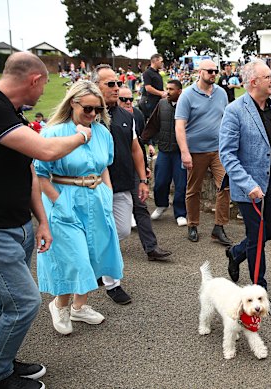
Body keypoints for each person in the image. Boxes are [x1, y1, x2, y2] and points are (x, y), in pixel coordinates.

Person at [0, 52, 92, 389]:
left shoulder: (10, 110)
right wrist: (82, 135)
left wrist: (41, 221)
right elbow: (45, 152)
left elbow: (28, 170)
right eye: (45, 83)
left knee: (1, 302)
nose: (43, 92)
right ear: (35, 80)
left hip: (17, 224)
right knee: (23, 303)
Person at [34, 80, 123, 335]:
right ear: (73, 103)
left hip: (95, 197)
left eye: (98, 109)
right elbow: (40, 174)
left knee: (94, 254)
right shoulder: (52, 133)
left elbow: (104, 165)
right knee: (74, 258)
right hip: (64, 197)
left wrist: (108, 194)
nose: (93, 114)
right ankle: (60, 304)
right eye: (87, 108)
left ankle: (79, 306)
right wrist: (59, 203)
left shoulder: (102, 133)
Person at [219, 59, 271, 316]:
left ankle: (235, 253)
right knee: (257, 238)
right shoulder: (235, 111)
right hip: (250, 188)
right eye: (269, 77)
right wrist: (248, 185)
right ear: (254, 82)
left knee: (268, 232)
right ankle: (260, 293)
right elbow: (227, 154)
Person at [93, 64, 149, 304]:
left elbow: (136, 148)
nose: (117, 88)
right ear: (96, 86)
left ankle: (98, 265)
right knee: (106, 233)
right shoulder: (89, 113)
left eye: (118, 83)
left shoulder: (128, 115)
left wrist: (143, 179)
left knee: (122, 230)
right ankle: (112, 283)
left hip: (123, 183)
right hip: (94, 185)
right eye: (111, 84)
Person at [175, 59, 232, 245]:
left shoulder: (221, 93)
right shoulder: (187, 95)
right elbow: (180, 126)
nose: (213, 74)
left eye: (215, 71)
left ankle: (219, 227)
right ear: (200, 72)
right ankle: (192, 225)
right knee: (193, 190)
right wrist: (185, 152)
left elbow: (228, 119)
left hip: (218, 150)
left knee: (225, 185)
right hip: (196, 151)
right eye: (209, 71)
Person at [117, 86, 173, 261]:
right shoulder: (102, 117)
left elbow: (137, 144)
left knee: (141, 207)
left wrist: (142, 170)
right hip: (109, 172)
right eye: (123, 99)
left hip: (132, 169)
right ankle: (106, 252)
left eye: (130, 99)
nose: (127, 103)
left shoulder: (135, 115)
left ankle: (151, 248)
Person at [142, 80, 188, 227]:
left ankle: (180, 213)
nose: (167, 92)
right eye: (167, 89)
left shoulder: (187, 105)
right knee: (160, 182)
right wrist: (144, 139)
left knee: (181, 184)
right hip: (163, 150)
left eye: (171, 89)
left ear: (179, 91)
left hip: (179, 152)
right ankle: (162, 204)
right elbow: (153, 123)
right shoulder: (161, 104)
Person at [140, 53, 166, 119]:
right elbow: (148, 88)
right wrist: (161, 93)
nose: (162, 63)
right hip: (150, 102)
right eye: (161, 61)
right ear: (155, 61)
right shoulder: (147, 73)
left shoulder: (158, 74)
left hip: (157, 102)